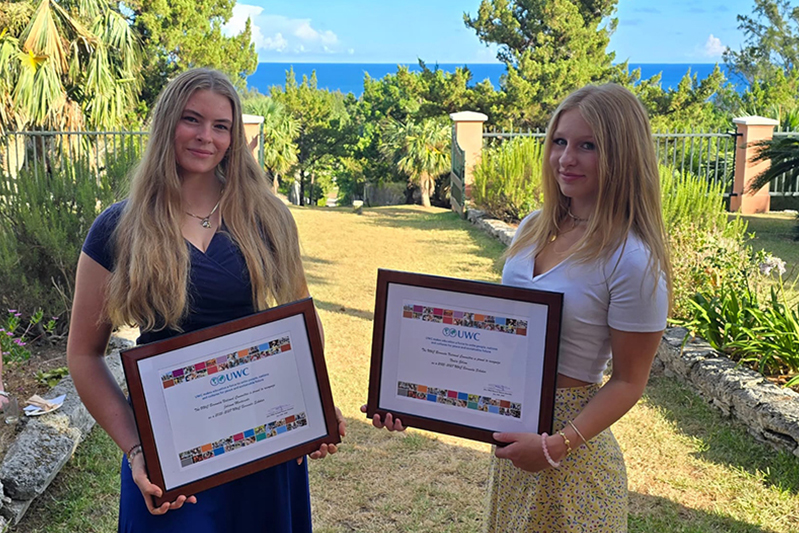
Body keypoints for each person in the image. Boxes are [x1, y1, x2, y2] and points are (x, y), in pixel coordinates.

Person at [364, 83, 671, 532]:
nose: (566, 158)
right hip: (513, 436)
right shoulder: (534, 227)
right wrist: (409, 400)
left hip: (573, 457)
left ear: (623, 155)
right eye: (559, 141)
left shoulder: (632, 259)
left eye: (587, 146)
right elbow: (498, 338)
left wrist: (555, 446)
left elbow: (629, 381)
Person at [67, 68, 345, 533]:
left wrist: (313, 400)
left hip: (262, 442)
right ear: (167, 123)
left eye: (221, 126)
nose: (206, 137)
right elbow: (82, 354)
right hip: (170, 455)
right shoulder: (119, 227)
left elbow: (301, 317)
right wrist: (137, 449)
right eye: (192, 119)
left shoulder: (267, 217)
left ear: (234, 139)